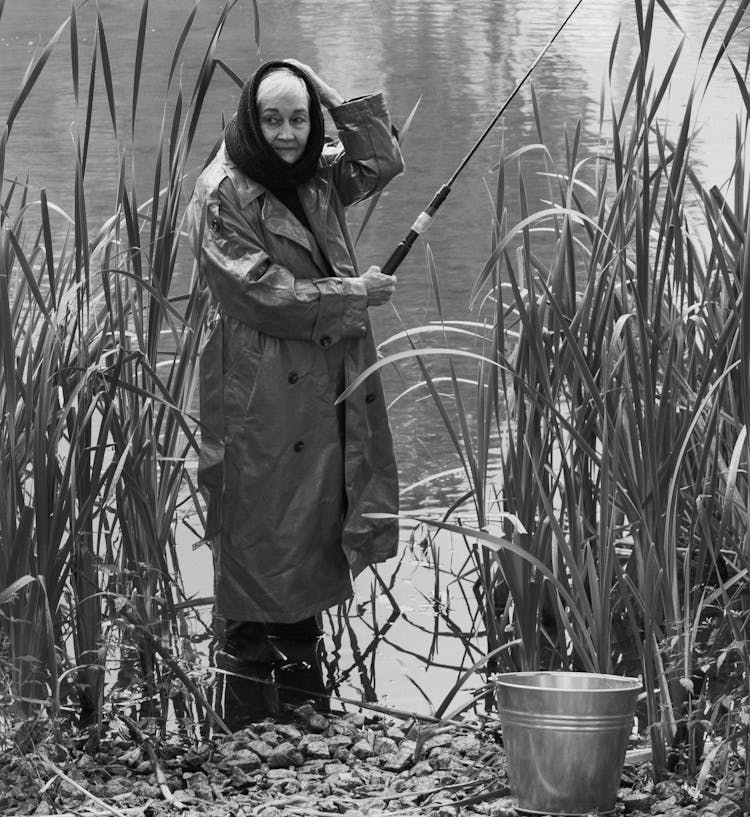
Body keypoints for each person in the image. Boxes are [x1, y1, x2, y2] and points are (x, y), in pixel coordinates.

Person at [186, 59, 404, 729]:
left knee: (313, 502)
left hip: (321, 366)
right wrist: (353, 294)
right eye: (272, 117)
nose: (286, 133)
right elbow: (256, 293)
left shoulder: (314, 169)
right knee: (259, 507)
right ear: (251, 118)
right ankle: (247, 686)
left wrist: (323, 88)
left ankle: (301, 665)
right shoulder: (221, 189)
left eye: (298, 117)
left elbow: (378, 161)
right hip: (257, 377)